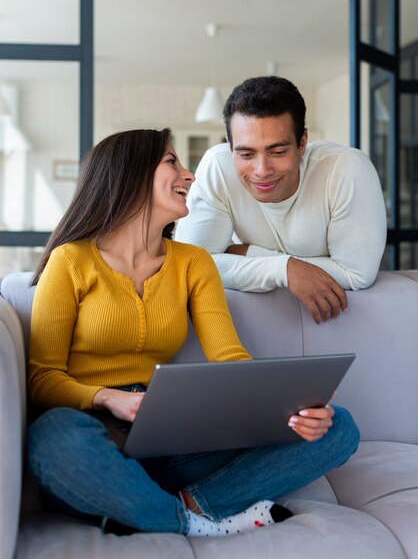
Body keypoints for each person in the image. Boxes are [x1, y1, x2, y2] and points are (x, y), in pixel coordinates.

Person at [28, 128, 360, 537]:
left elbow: (229, 357)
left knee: (337, 427)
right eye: (172, 162)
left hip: (172, 438)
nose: (189, 176)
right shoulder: (70, 261)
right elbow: (42, 379)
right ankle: (198, 519)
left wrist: (283, 410)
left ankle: (176, 510)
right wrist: (109, 398)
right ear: (129, 173)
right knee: (53, 438)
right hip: (96, 436)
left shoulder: (193, 262)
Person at [176, 76, 387, 325]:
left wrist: (250, 254)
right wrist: (283, 269)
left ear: (302, 143)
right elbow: (190, 267)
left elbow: (356, 275)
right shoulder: (217, 167)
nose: (262, 170)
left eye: (278, 152)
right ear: (230, 147)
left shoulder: (346, 169)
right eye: (246, 153)